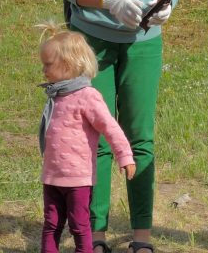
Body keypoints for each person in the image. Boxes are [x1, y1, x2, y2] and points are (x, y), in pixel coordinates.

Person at [57, 0, 182, 253]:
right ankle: (94, 236)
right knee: (97, 136)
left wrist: (164, 3)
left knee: (140, 137)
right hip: (93, 43)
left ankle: (142, 236)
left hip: (144, 44)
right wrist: (110, 1)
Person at [35, 22, 136, 253]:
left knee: (80, 226)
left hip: (78, 179)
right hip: (52, 176)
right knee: (51, 224)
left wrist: (125, 155)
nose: (43, 70)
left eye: (48, 65)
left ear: (69, 64)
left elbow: (110, 127)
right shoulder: (56, 95)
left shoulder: (87, 96)